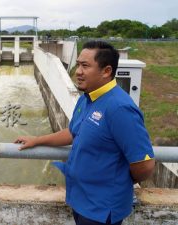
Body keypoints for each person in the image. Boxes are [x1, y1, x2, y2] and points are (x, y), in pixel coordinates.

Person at [15, 41, 155, 225]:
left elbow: (144, 165)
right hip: (80, 199)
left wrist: (117, 181)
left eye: (85, 66)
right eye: (78, 64)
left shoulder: (119, 108)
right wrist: (37, 140)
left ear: (106, 71)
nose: (78, 71)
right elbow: (74, 132)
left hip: (102, 209)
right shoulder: (87, 98)